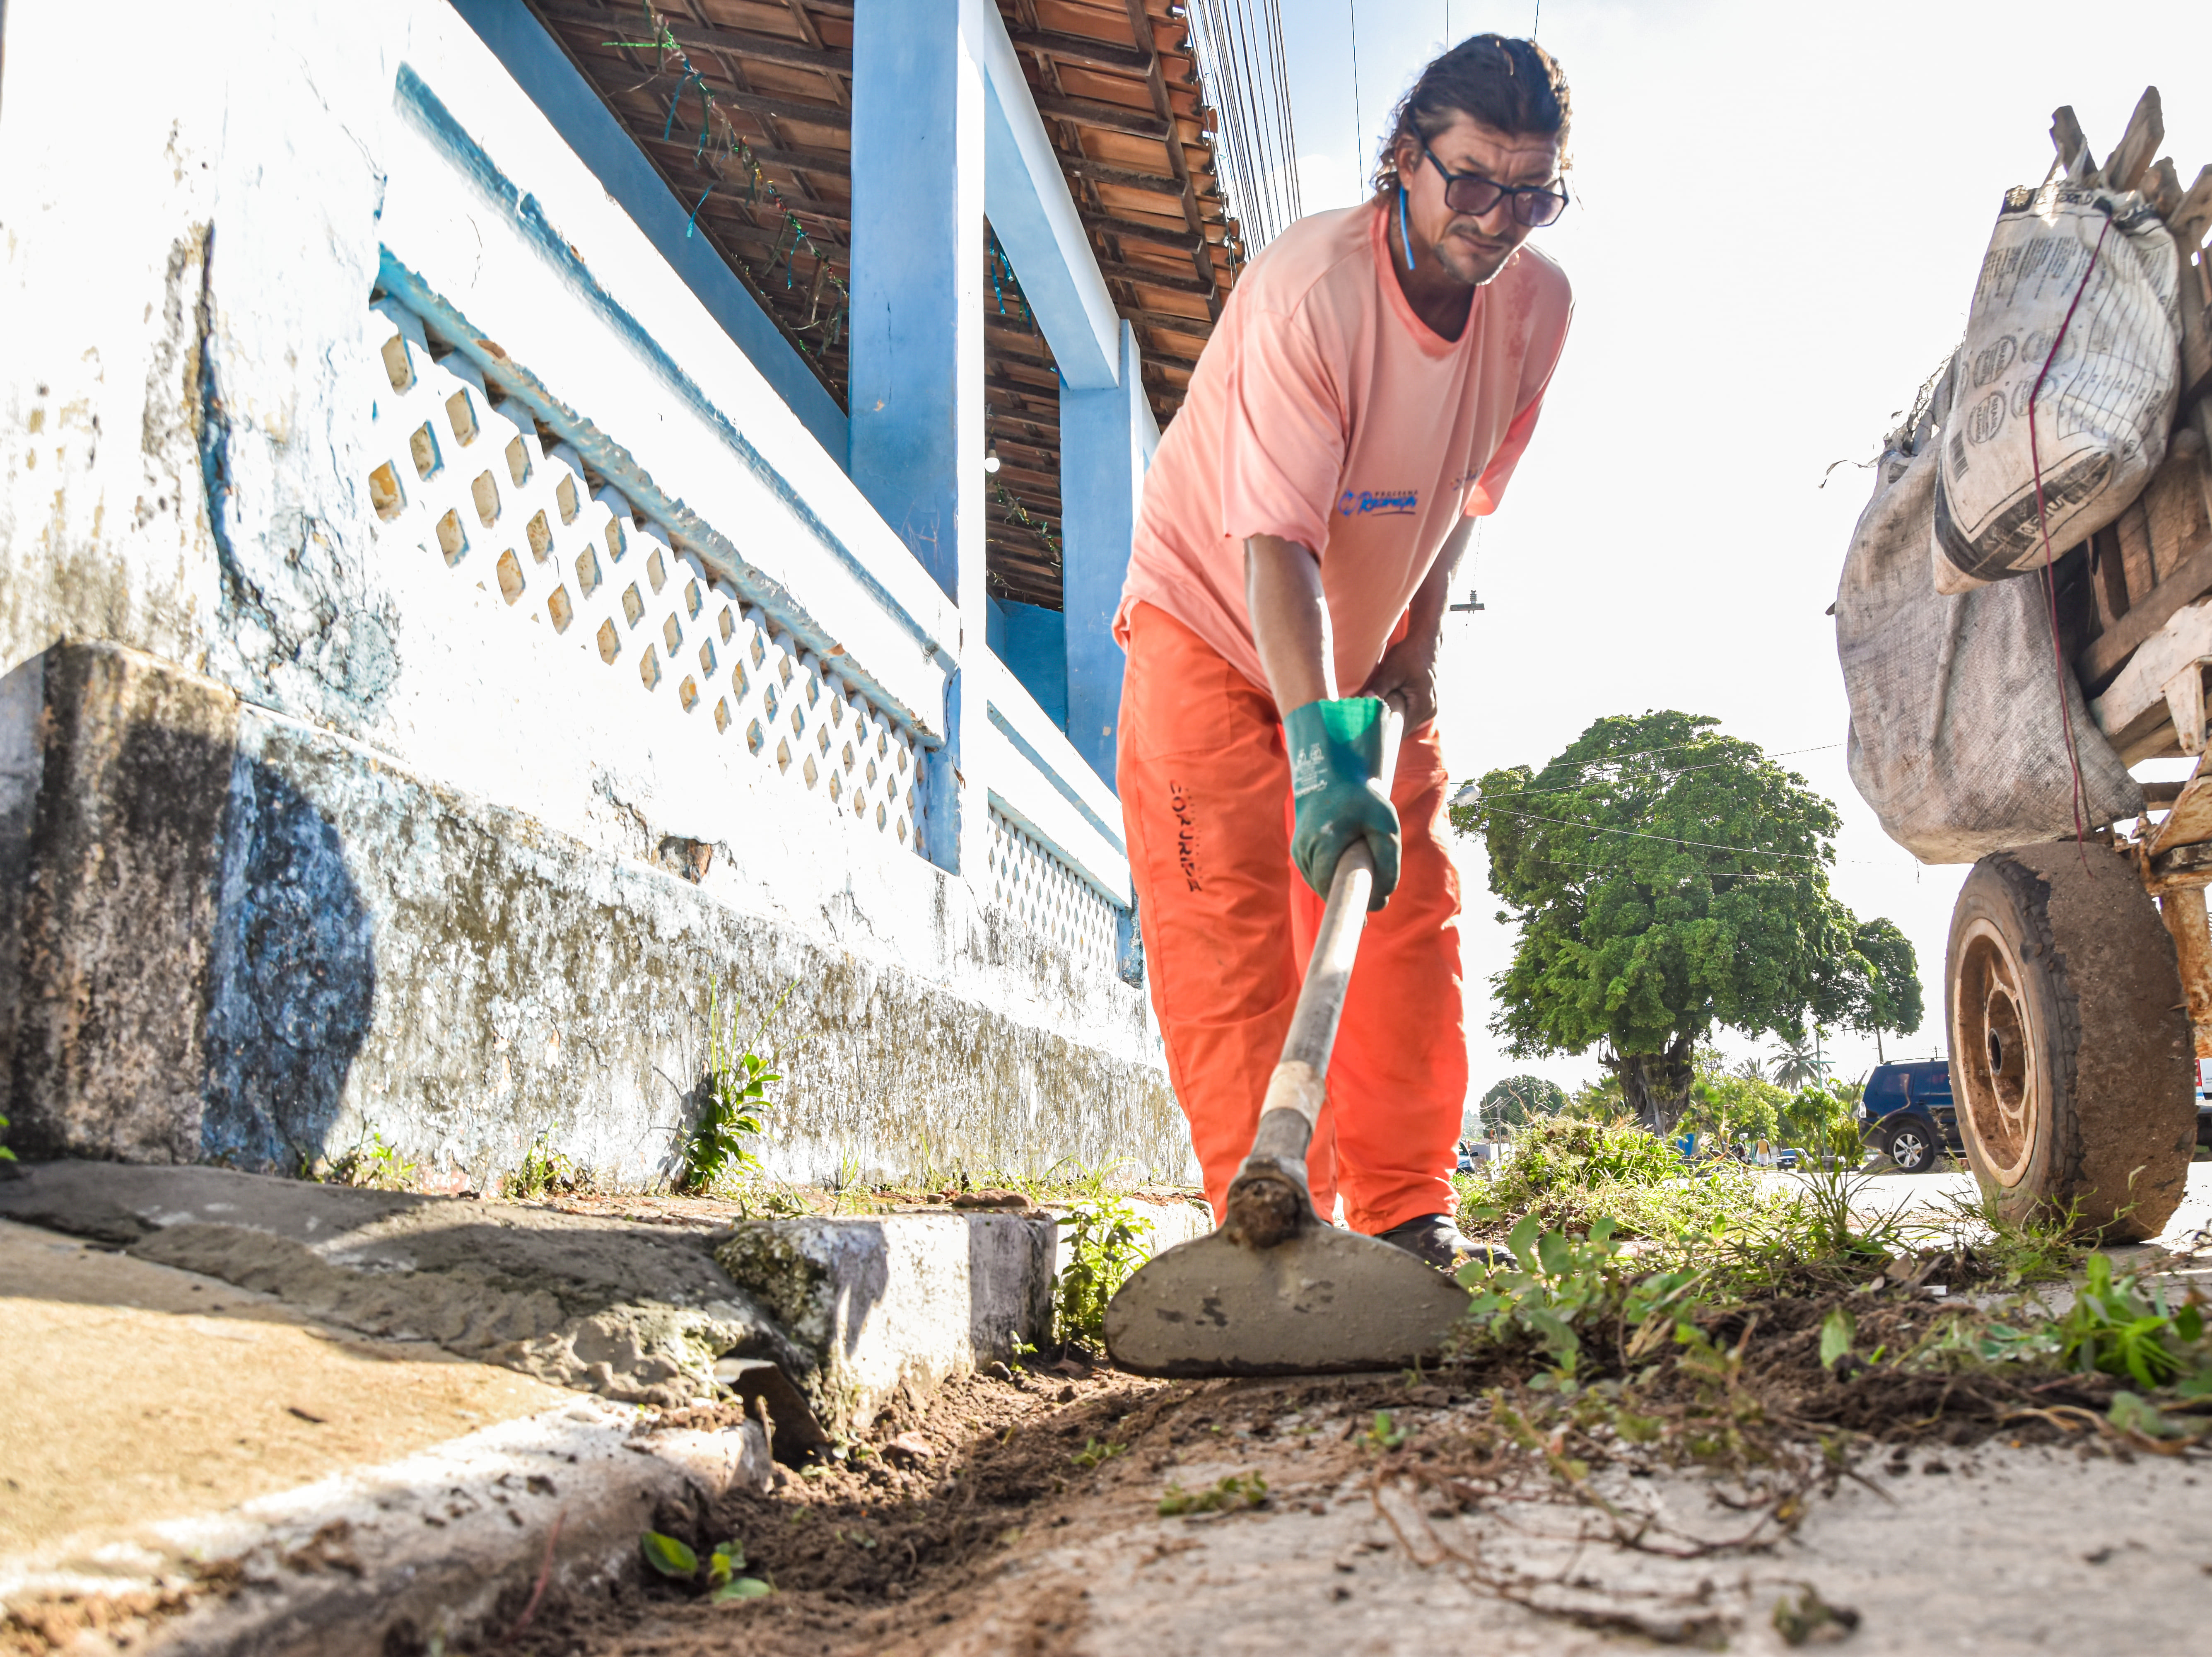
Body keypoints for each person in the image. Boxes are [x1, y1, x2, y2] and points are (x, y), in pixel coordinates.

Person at [1114, 35, 1575, 1268]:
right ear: (1405, 161)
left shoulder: (1537, 309)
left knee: (1405, 910)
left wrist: (1416, 651)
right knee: (1231, 930)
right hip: (1211, 622)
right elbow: (1277, 551)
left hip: (1364, 644)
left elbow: (1465, 492)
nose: (1500, 219)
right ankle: (1271, 1226)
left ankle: (1411, 1212)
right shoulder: (1313, 292)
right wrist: (1318, 754)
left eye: (1533, 192)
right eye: (1473, 181)